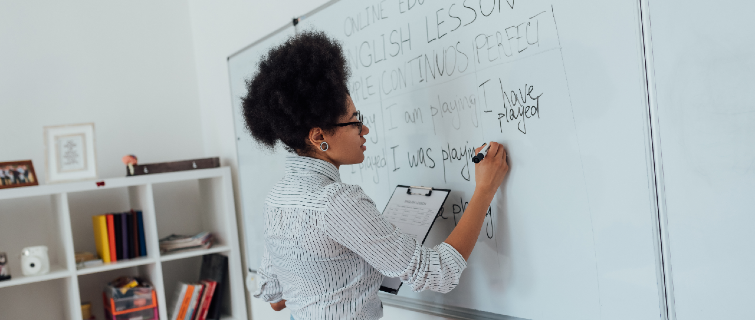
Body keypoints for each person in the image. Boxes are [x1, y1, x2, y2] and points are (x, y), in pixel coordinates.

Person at [243, 31, 509, 320]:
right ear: (319, 136)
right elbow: (438, 273)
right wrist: (484, 190)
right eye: (354, 121)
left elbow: (272, 294)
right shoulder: (337, 202)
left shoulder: (277, 197)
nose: (364, 130)